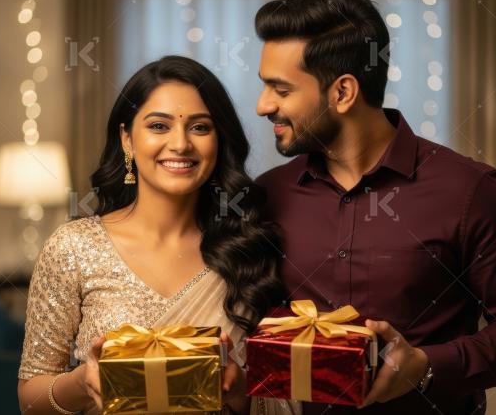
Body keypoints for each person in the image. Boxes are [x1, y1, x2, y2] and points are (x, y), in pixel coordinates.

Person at [253, 0, 496, 415]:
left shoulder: (470, 191)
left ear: (342, 92)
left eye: (280, 89)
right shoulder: (267, 195)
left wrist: (428, 366)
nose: (262, 105)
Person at [17, 55, 292, 414]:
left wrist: (240, 391)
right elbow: (30, 398)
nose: (180, 144)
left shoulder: (249, 248)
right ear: (127, 139)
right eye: (159, 126)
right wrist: (83, 382)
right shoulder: (73, 248)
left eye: (200, 127)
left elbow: (282, 395)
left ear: (219, 141)